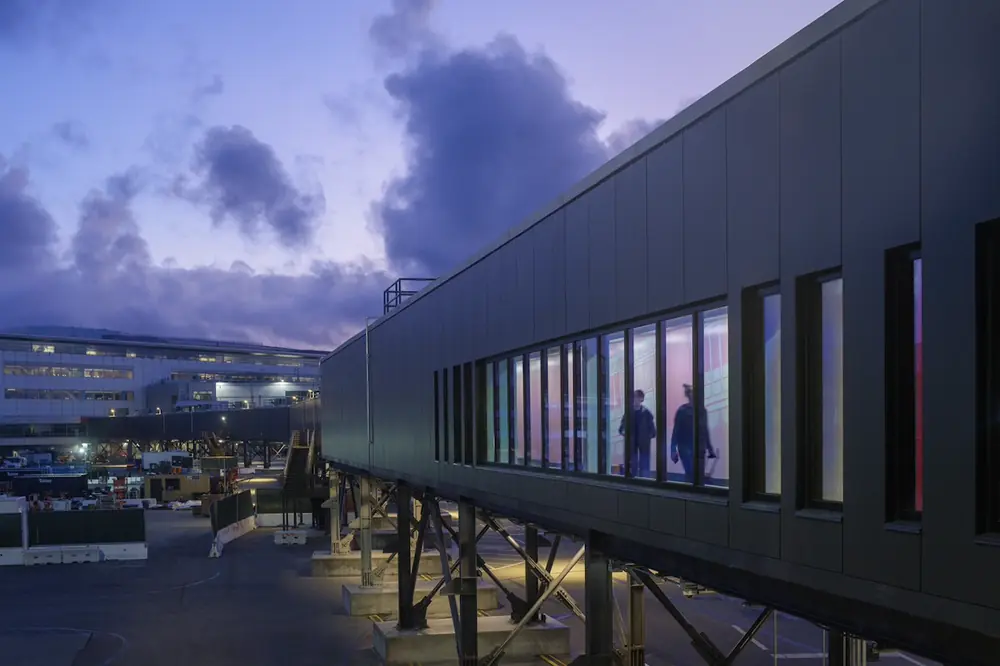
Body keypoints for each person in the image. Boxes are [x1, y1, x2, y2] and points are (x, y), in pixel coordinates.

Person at [670, 383, 717, 484]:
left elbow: (705, 429)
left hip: (699, 446)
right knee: (690, 473)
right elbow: (676, 431)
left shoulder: (702, 411)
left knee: (698, 474)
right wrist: (673, 449)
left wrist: (710, 448)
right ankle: (689, 496)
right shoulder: (682, 411)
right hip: (685, 446)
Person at [618, 389, 656, 477]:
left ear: (641, 399)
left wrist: (648, 436)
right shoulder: (629, 412)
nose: (635, 399)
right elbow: (622, 427)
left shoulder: (647, 413)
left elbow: (652, 429)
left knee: (644, 463)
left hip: (643, 442)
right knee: (632, 462)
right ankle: (633, 478)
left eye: (637, 397)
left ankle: (644, 480)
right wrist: (625, 434)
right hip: (632, 442)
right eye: (634, 397)